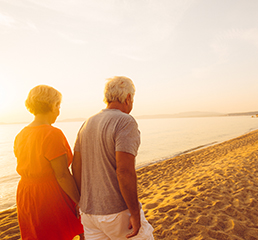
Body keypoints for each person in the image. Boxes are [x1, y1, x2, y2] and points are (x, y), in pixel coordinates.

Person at [72, 76, 154, 239]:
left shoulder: (87, 123)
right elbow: (124, 171)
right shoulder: (125, 122)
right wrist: (135, 212)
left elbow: (76, 166)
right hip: (116, 211)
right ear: (128, 98)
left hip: (89, 214)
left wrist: (82, 200)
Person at [14, 85, 84, 240]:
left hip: (25, 193)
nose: (59, 111)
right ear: (52, 106)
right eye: (58, 106)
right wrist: (79, 201)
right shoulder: (52, 134)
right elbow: (62, 175)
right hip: (48, 195)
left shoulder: (21, 134)